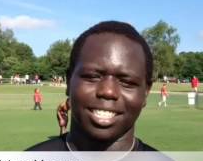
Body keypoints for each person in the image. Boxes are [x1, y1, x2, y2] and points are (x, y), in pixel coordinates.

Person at [27, 20, 155, 152]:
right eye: (92, 76)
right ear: (69, 81)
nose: (108, 91)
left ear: (146, 92)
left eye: (127, 82)